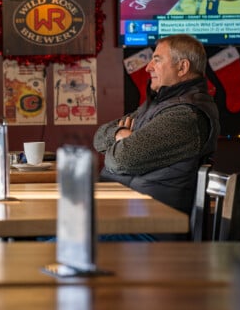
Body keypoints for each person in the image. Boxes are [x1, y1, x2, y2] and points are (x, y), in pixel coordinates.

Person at [93, 34, 220, 215]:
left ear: (182, 67)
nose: (148, 68)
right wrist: (120, 133)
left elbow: (121, 159)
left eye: (157, 60)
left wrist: (126, 144)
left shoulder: (184, 115)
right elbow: (98, 137)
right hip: (125, 214)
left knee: (54, 239)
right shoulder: (158, 105)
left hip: (147, 226)